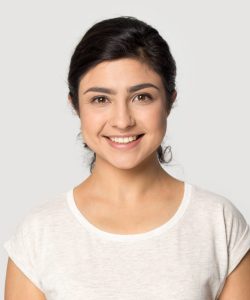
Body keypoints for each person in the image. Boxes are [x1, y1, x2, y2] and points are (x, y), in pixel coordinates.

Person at [3, 16, 250, 300]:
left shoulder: (217, 222)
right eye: (100, 99)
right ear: (75, 106)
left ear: (170, 101)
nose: (122, 121)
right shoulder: (39, 234)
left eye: (142, 97)